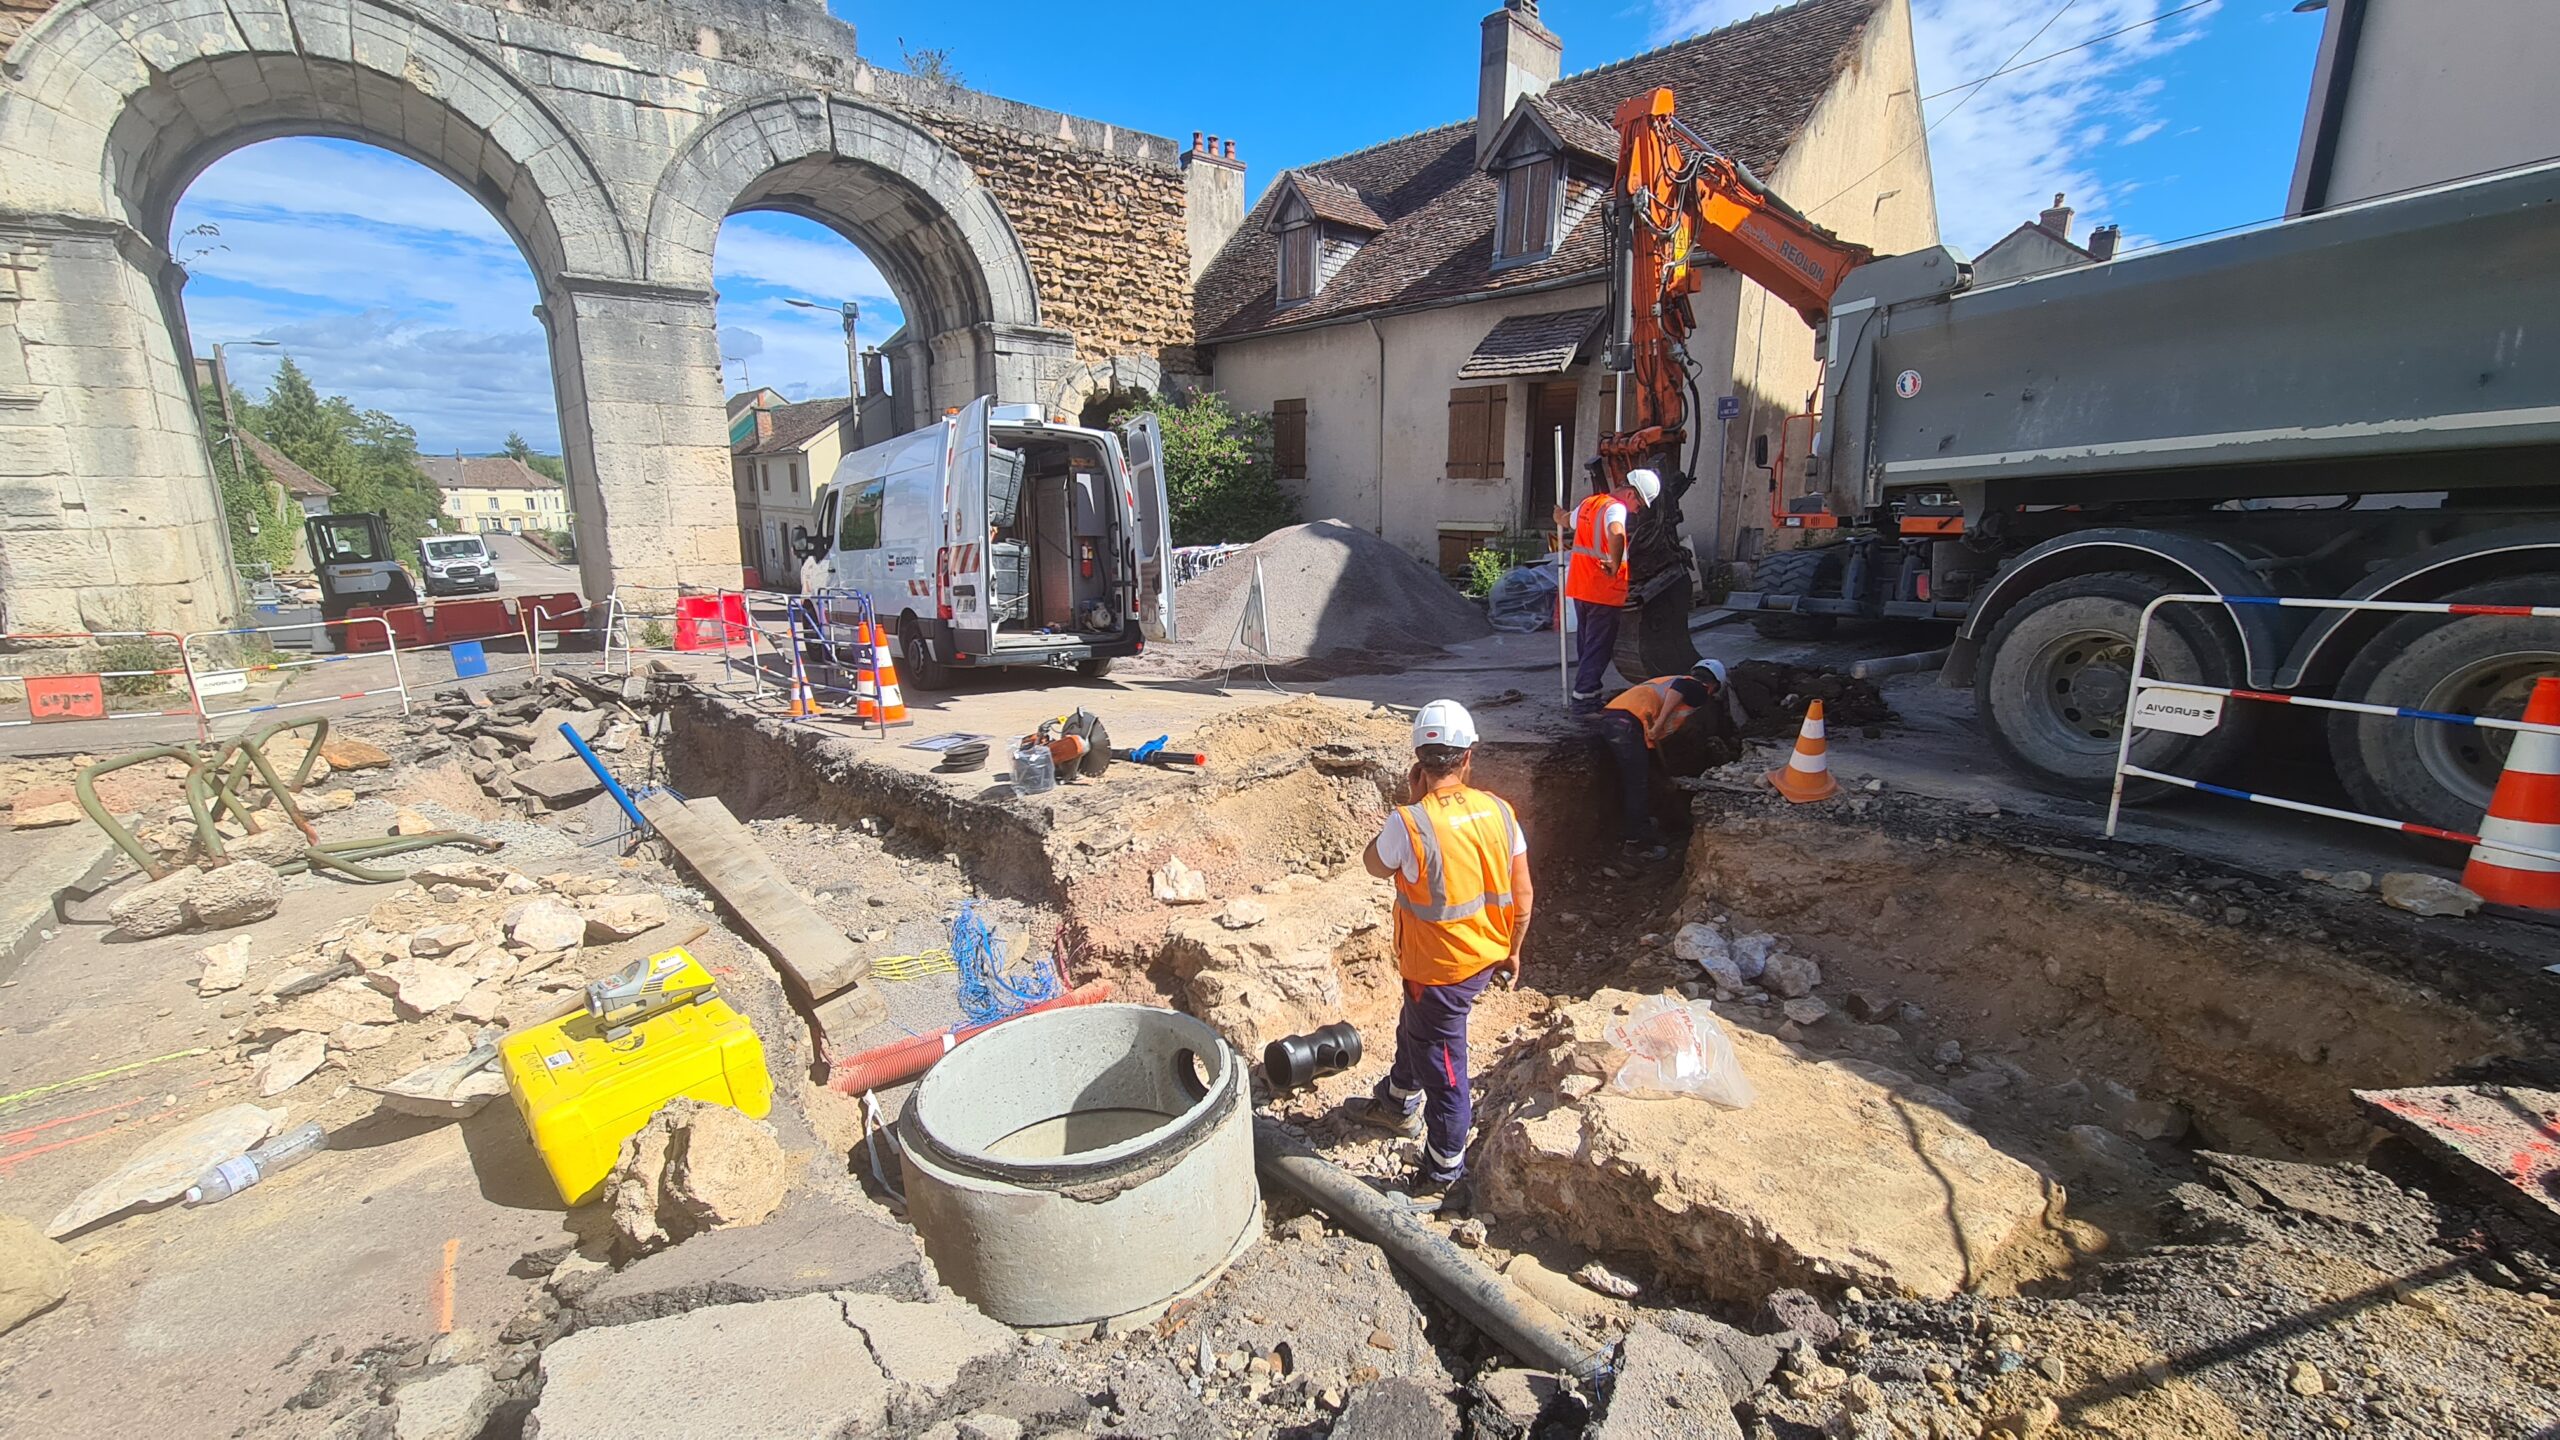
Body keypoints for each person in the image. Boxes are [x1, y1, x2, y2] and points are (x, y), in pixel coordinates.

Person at [1343, 699, 1532, 1213]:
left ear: (1419, 761)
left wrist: (1412, 801)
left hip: (1438, 970)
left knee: (1444, 1068)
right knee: (1416, 1025)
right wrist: (1513, 952)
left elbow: (1374, 865)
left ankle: (1443, 1172)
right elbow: (1523, 894)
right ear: (1468, 756)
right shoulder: (1500, 811)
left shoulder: (1410, 822)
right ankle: (1397, 1101)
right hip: (1484, 956)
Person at [1556, 466, 1661, 714]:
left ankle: (1588, 690)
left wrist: (1557, 513)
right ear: (1630, 494)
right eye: (1639, 504)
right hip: (1603, 591)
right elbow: (1616, 532)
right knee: (1598, 648)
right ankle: (1584, 698)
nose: (1637, 511)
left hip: (1581, 589)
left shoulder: (1589, 504)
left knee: (1587, 644)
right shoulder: (1616, 508)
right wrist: (1614, 563)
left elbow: (1565, 520)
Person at [1599, 660, 1729, 860]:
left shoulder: (1667, 682)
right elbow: (1680, 688)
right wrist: (1659, 725)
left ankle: (1640, 823)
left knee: (1641, 778)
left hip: (1614, 719)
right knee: (1637, 785)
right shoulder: (1697, 687)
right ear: (1714, 685)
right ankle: (1636, 843)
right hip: (1628, 725)